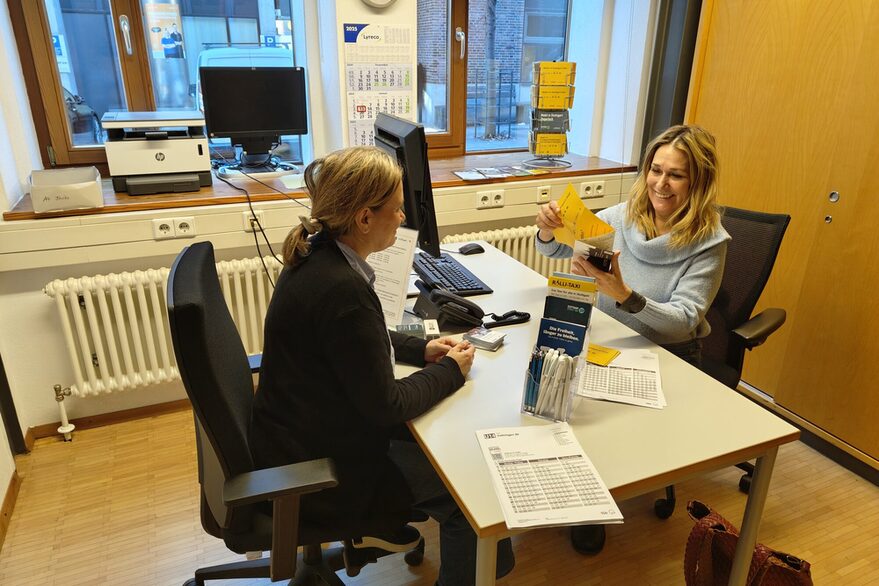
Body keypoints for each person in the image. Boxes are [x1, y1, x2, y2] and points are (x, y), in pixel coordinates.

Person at [249, 146, 514, 585]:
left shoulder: (318, 255)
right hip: (322, 472)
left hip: (294, 436)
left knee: (449, 448)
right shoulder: (342, 289)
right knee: (472, 497)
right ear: (364, 219)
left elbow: (349, 342)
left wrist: (420, 350)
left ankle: (380, 529)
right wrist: (450, 371)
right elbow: (387, 406)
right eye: (396, 209)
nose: (403, 218)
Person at [535, 124, 730, 553]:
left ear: (698, 181)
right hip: (609, 339)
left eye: (676, 174)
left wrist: (623, 294)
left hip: (667, 355)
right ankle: (566, 484)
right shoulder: (622, 217)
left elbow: (683, 320)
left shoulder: (709, 243)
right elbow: (559, 250)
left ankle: (593, 507)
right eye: (655, 170)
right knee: (552, 387)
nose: (660, 183)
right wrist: (548, 231)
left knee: (597, 418)